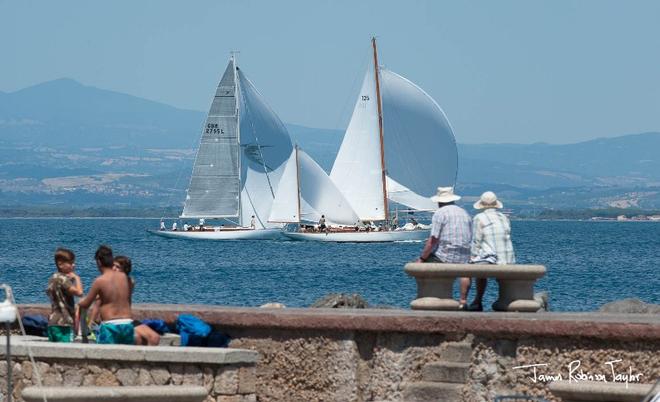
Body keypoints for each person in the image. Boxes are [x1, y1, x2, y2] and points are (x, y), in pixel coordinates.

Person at [416, 187, 472, 310]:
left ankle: (431, 297)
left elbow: (433, 240)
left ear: (439, 201)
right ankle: (463, 301)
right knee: (465, 272)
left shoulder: (440, 213)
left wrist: (421, 258)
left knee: (421, 266)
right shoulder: (464, 213)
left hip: (445, 255)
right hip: (465, 256)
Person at [466, 191, 516, 311]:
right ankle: (504, 299)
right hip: (508, 259)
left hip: (491, 260)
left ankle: (477, 300)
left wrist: (472, 257)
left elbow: (476, 241)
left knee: (477, 270)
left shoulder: (479, 218)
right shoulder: (504, 217)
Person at [78, 245, 134, 345]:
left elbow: (86, 304)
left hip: (110, 325)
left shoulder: (100, 281)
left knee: (105, 358)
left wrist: (79, 301)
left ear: (99, 262)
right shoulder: (127, 278)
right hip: (127, 323)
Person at [113, 256, 160, 346]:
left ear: (125, 270)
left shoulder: (130, 282)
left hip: (127, 319)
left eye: (117, 267)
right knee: (136, 337)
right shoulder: (107, 282)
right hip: (114, 320)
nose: (114, 269)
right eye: (113, 266)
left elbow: (128, 301)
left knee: (155, 337)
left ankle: (147, 359)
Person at [45, 248, 83, 342]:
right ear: (60, 264)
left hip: (53, 322)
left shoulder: (52, 278)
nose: (73, 265)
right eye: (70, 263)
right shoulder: (64, 279)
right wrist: (77, 278)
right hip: (64, 322)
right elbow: (79, 292)